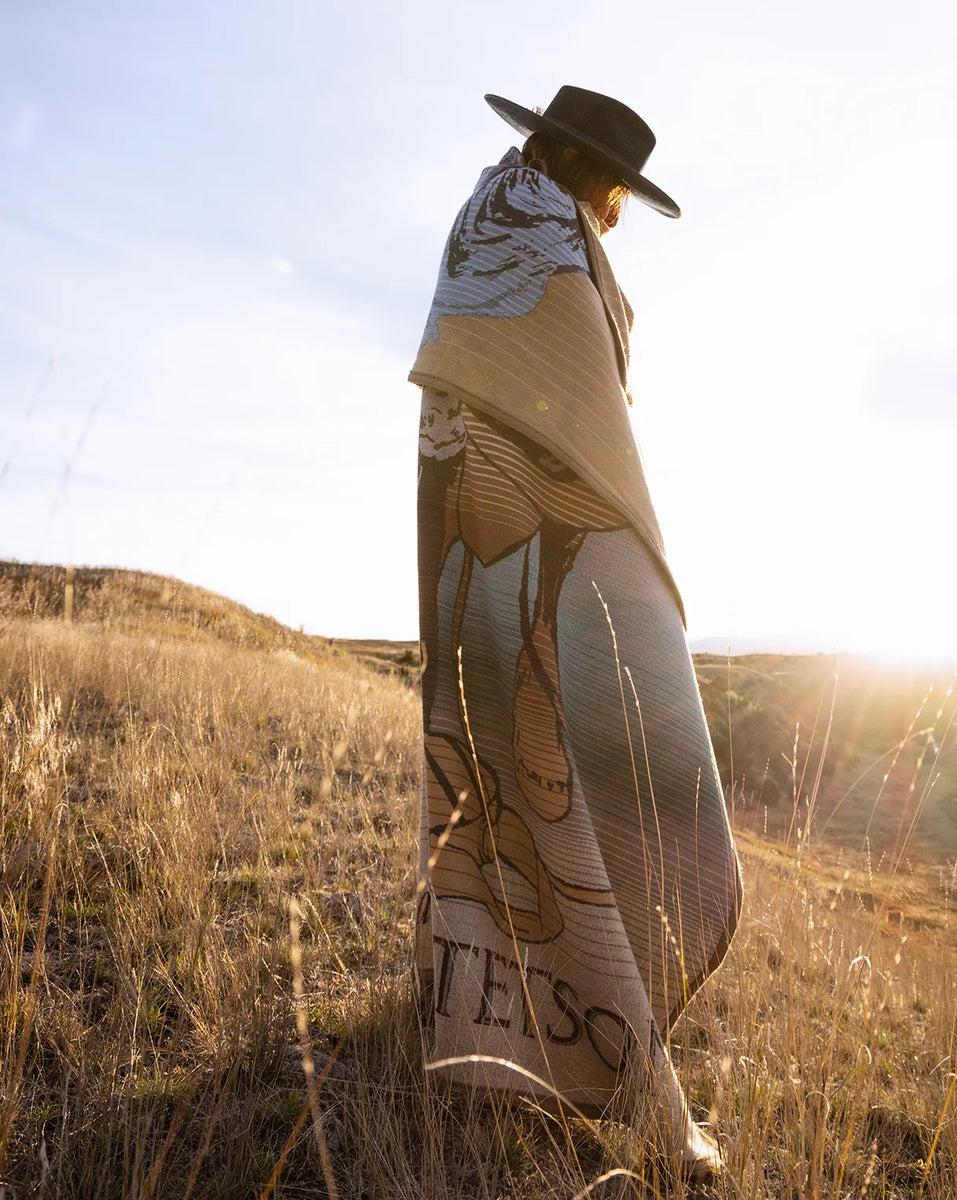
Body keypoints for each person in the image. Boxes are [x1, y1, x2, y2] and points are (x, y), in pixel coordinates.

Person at [410, 85, 742, 1176]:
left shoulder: (485, 214)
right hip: (534, 541)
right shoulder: (549, 239)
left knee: (488, 777)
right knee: (578, 791)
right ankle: (648, 1103)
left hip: (461, 537)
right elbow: (578, 427)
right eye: (618, 200)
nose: (614, 221)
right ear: (598, 179)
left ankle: (478, 1033)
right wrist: (633, 561)